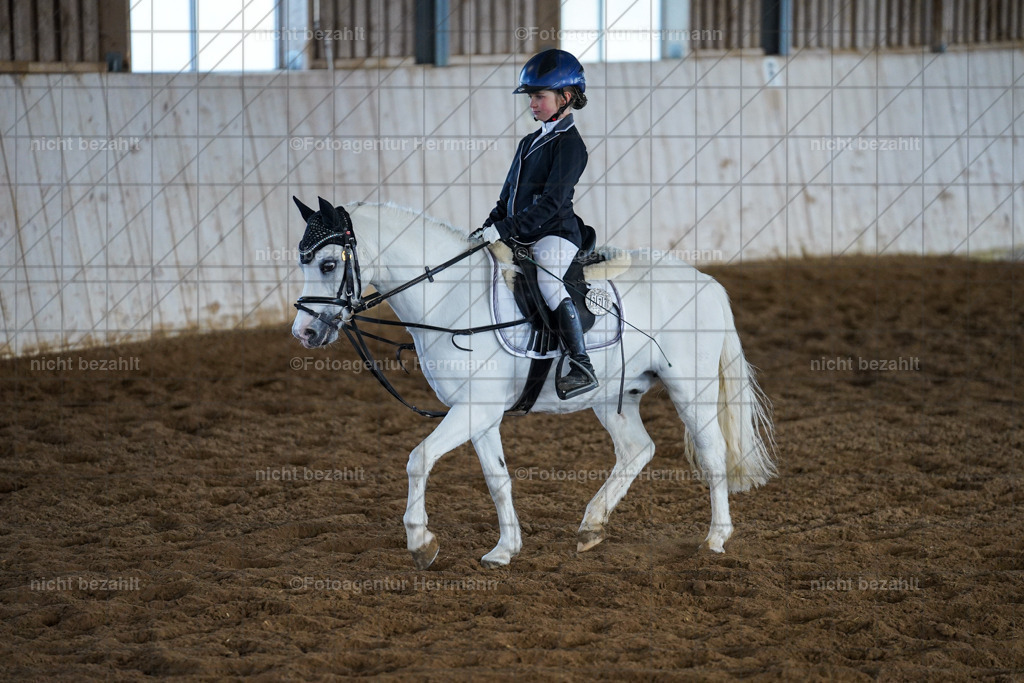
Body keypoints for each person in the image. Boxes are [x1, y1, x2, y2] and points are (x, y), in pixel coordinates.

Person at [472, 49, 598, 399]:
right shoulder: (530, 142)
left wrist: (507, 229)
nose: (533, 103)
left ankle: (581, 362)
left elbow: (551, 204)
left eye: (539, 96)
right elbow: (506, 199)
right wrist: (488, 228)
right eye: (531, 97)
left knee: (548, 280)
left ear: (566, 97)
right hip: (521, 232)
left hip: (555, 233)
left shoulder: (571, 146)